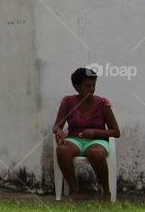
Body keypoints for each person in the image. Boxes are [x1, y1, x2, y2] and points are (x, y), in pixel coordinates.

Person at [53, 67, 121, 203]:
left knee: (95, 153)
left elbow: (115, 131)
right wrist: (59, 131)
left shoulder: (103, 104)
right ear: (76, 86)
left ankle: (106, 191)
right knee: (62, 150)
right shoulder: (68, 102)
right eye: (87, 86)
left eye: (93, 85)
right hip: (75, 139)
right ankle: (74, 191)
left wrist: (95, 132)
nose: (91, 89)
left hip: (97, 141)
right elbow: (57, 126)